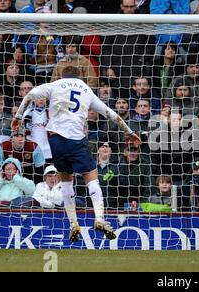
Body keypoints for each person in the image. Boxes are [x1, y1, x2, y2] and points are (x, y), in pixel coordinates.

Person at [11, 65, 142, 242]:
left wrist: (18, 117)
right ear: (79, 76)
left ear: (61, 75)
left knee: (66, 181)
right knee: (92, 178)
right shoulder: (86, 90)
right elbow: (110, 113)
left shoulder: (54, 85)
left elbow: (29, 95)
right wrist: (128, 132)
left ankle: (73, 223)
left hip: (56, 141)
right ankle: (100, 219)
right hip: (76, 141)